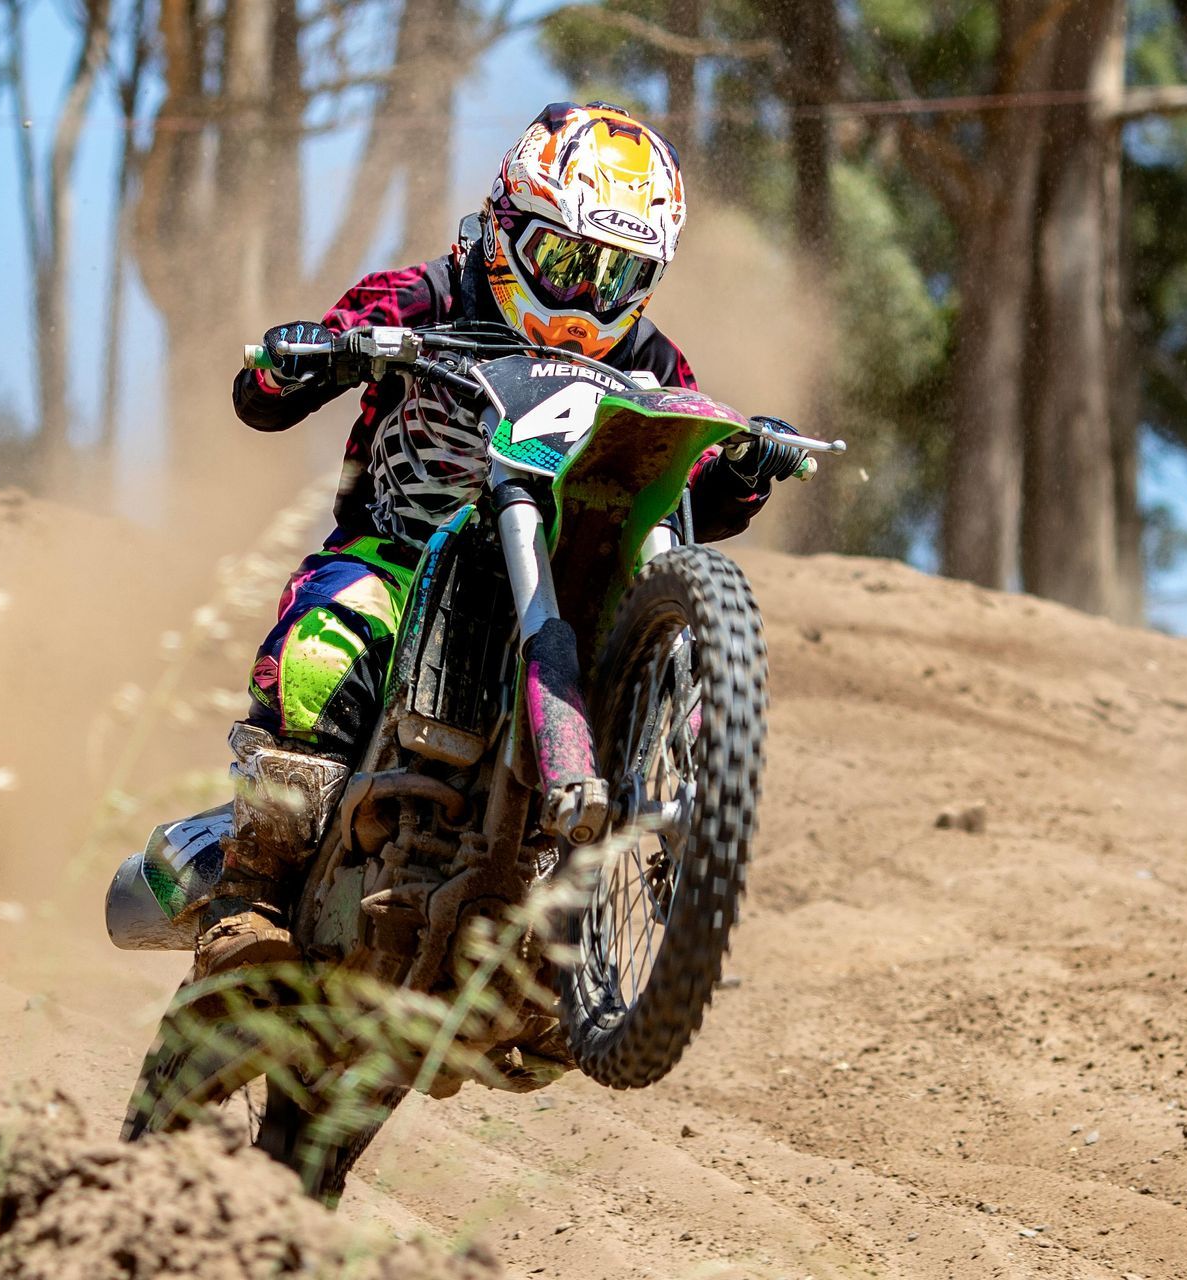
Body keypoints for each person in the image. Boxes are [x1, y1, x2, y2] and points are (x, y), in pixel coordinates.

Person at [197, 101, 807, 977]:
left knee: (654, 632)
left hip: (566, 580)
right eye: (564, 261)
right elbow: (268, 397)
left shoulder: (652, 361)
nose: (586, 299)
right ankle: (250, 901)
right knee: (320, 653)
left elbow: (685, 497)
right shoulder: (425, 294)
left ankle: (682, 855)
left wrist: (744, 468)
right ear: (506, 228)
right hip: (402, 553)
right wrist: (299, 356)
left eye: (617, 277)